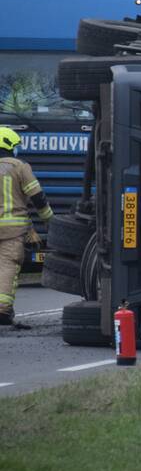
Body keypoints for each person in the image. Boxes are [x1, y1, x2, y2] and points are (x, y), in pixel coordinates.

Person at [0, 127, 53, 326]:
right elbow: (37, 197)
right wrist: (49, 221)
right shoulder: (19, 167)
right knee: (7, 265)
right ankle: (3, 310)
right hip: (12, 229)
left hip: (14, 227)